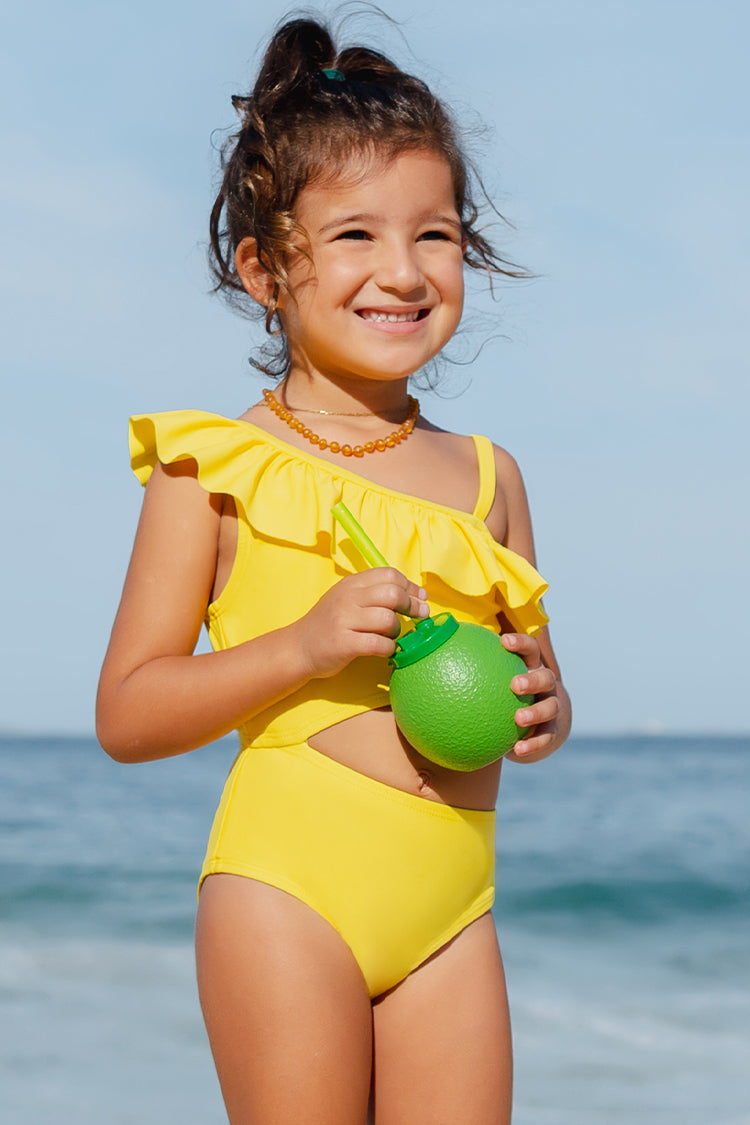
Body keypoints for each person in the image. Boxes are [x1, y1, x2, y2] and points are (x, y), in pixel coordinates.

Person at [97, 14, 571, 1124]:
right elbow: (128, 714)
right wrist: (302, 647)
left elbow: (535, 683)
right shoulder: (212, 469)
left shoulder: (491, 477)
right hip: (286, 890)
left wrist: (546, 712)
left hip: (453, 907)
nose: (402, 272)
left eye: (435, 234)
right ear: (265, 269)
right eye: (356, 234)